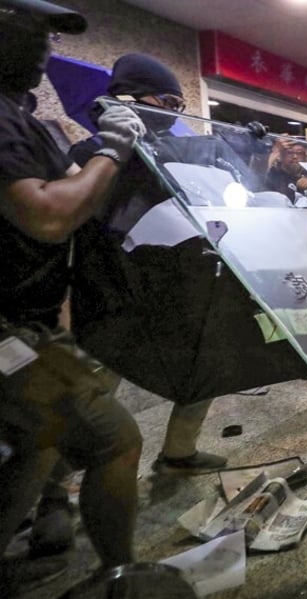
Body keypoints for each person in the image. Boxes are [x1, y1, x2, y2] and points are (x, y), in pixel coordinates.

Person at [0, 2, 145, 597]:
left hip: (31, 318)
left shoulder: (22, 117)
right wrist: (112, 152)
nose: (43, 51)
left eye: (47, 37)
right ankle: (121, 581)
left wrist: (88, 155)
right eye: (29, 35)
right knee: (113, 438)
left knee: (36, 446)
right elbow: (48, 215)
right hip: (8, 330)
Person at [67, 53, 231, 475]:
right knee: (94, 389)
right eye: (166, 103)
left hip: (173, 281)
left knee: (203, 367)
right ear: (128, 97)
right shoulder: (90, 151)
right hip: (112, 287)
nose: (173, 114)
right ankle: (55, 492)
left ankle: (179, 453)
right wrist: (116, 148)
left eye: (180, 106)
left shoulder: (169, 151)